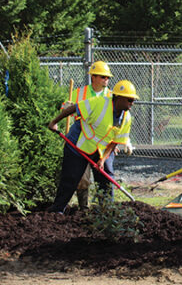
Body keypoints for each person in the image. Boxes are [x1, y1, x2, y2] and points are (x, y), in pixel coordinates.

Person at [47, 79, 138, 213]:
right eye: (129, 100)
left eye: (133, 100)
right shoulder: (99, 103)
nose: (132, 103)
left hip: (99, 151)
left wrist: (102, 160)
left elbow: (115, 142)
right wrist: (54, 122)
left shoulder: (127, 118)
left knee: (106, 179)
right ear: (118, 97)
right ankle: (57, 210)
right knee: (71, 179)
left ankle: (107, 211)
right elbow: (76, 108)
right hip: (77, 145)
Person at [61, 61, 123, 209]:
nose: (106, 80)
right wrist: (66, 107)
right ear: (93, 77)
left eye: (107, 77)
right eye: (103, 77)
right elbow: (65, 109)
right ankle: (83, 208)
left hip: (103, 145)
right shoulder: (79, 93)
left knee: (105, 176)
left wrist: (116, 143)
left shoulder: (111, 96)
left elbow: (120, 122)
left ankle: (106, 209)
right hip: (83, 142)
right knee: (81, 178)